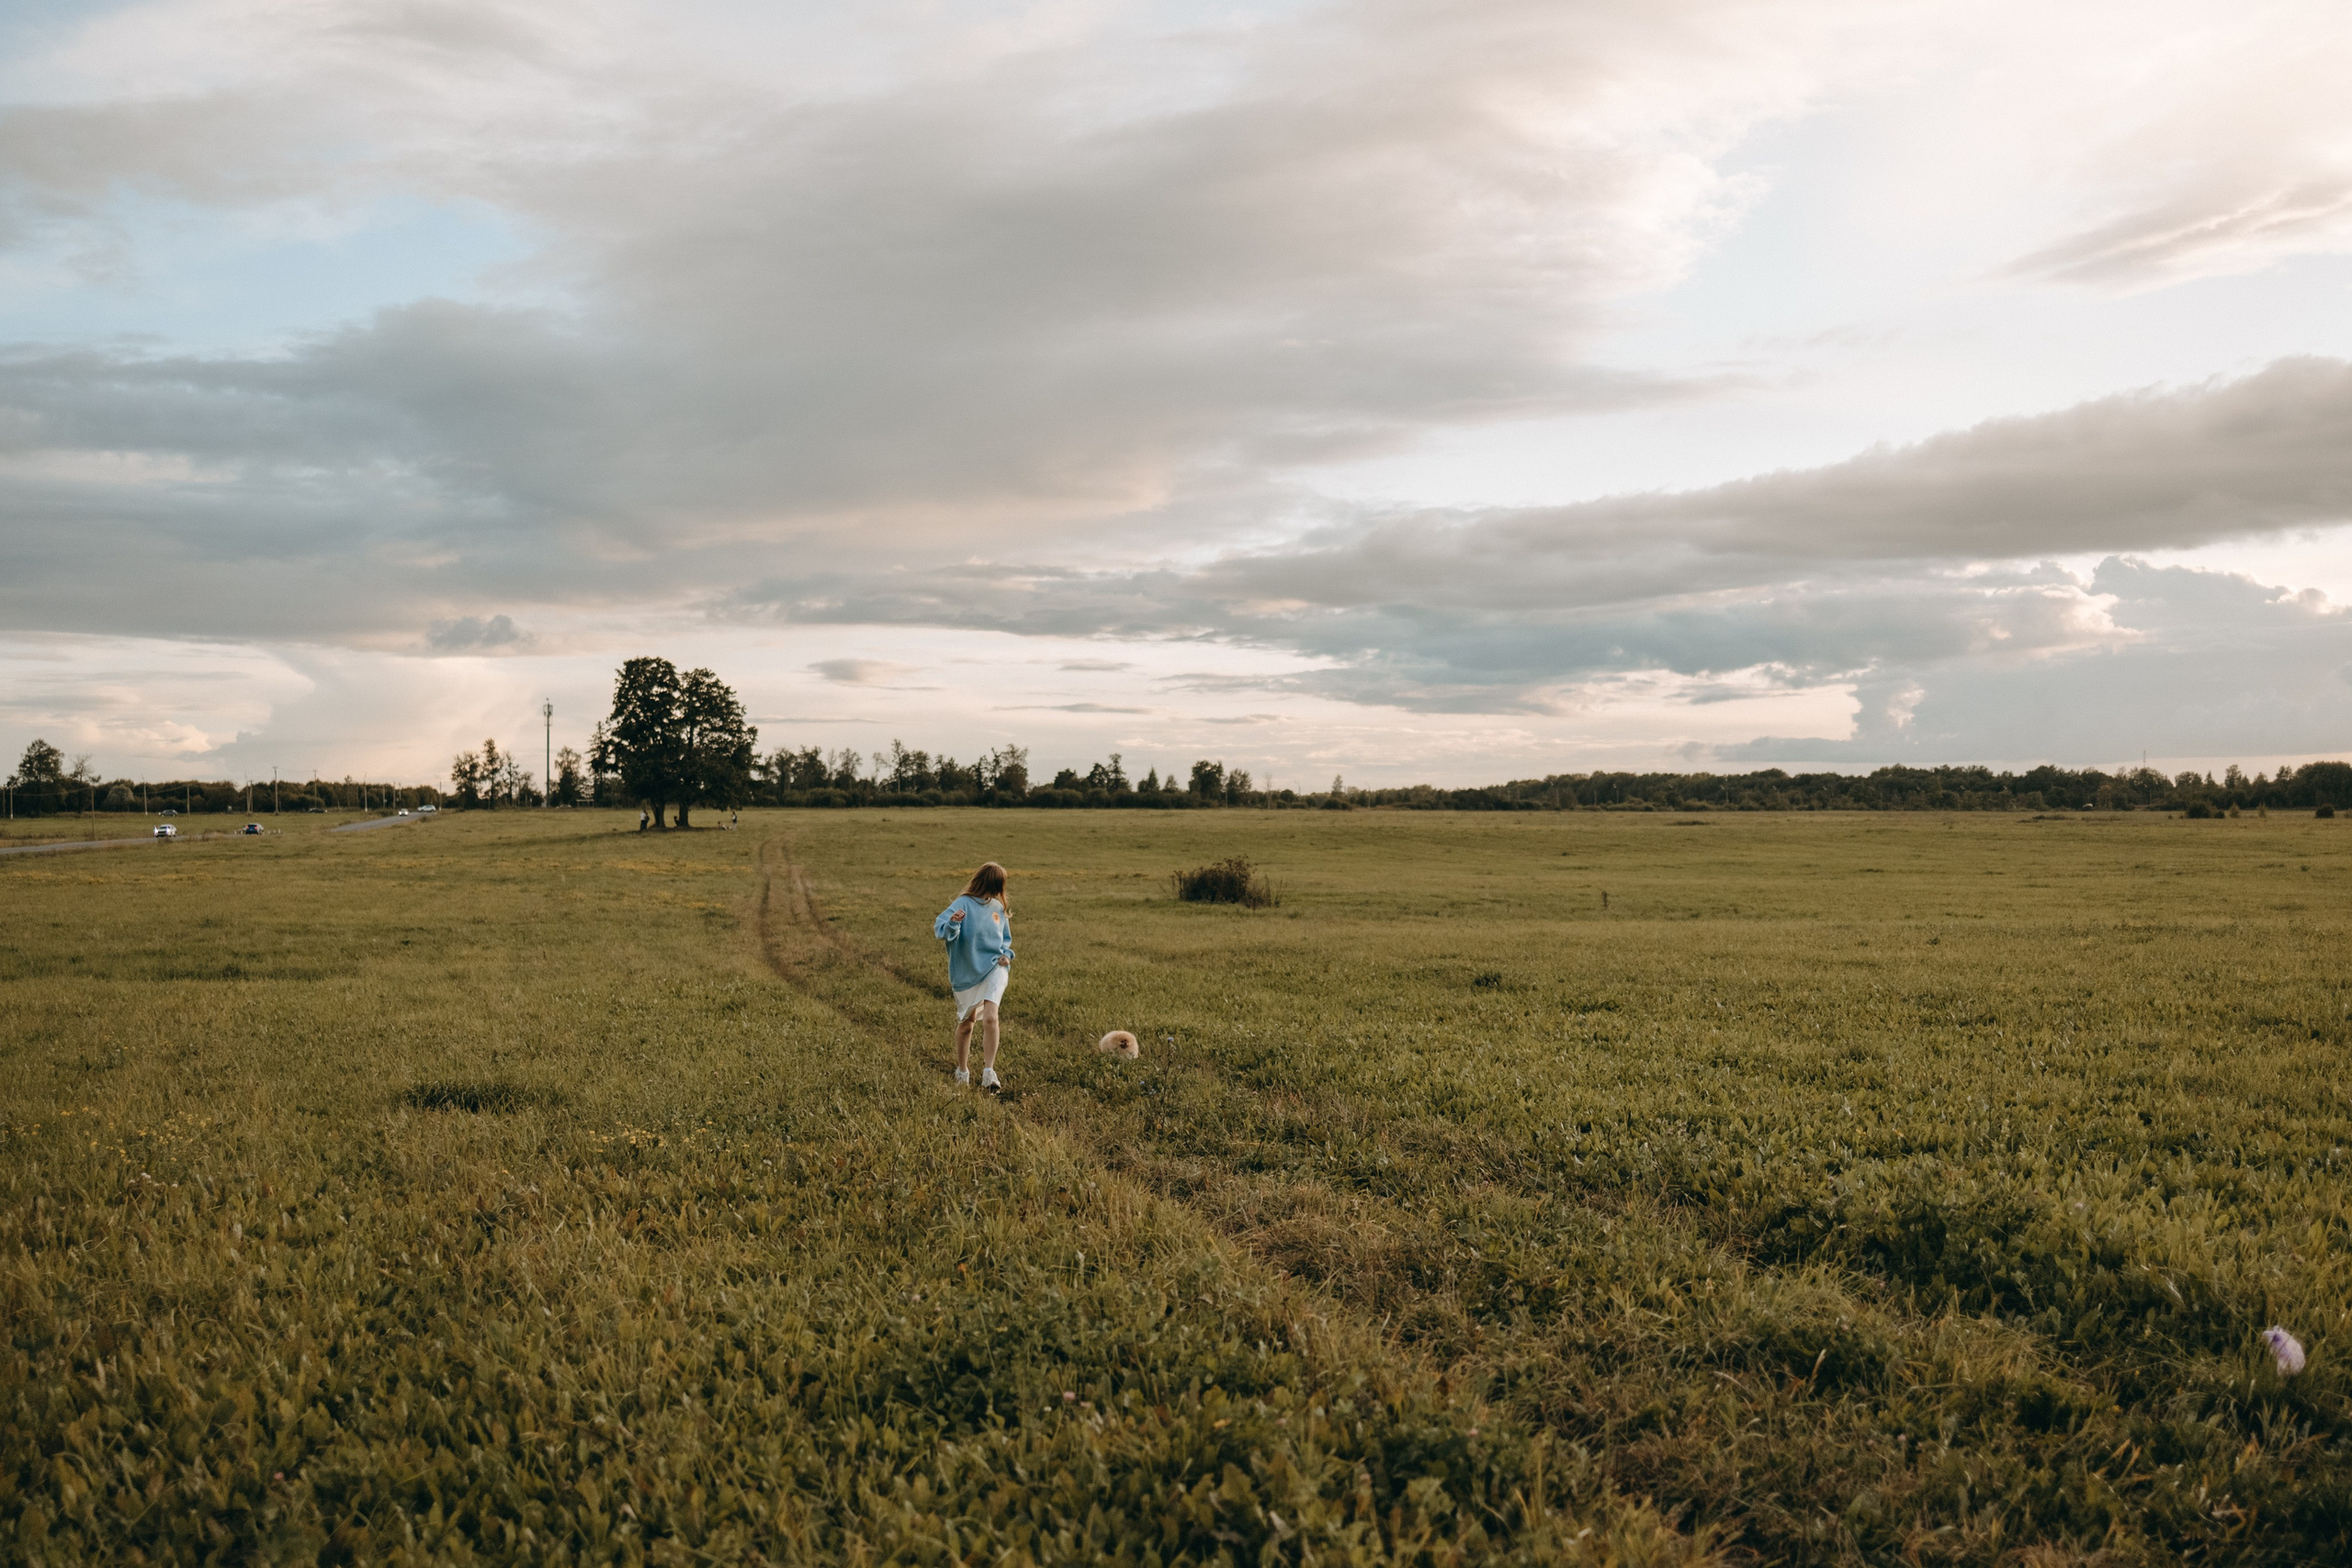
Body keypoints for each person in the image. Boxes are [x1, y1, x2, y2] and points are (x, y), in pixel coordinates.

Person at [933, 861, 1013, 1091]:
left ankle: (989, 1072)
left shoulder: (998, 907)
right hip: (967, 973)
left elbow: (1005, 940)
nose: (997, 892)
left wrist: (1007, 956)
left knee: (990, 1017)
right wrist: (954, 923)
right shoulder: (963, 903)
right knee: (967, 1025)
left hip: (994, 968)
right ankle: (962, 1071)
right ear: (986, 882)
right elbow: (942, 931)